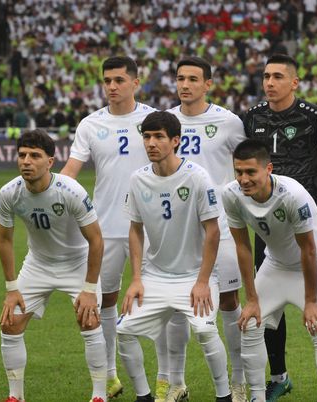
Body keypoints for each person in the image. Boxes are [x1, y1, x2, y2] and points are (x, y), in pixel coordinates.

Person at [61, 56, 167, 400]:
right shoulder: (91, 124)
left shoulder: (152, 120)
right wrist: (49, 192)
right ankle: (108, 376)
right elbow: (71, 170)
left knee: (164, 302)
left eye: (119, 80)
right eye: (107, 80)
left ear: (136, 83)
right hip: (104, 228)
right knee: (101, 302)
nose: (111, 86)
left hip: (150, 229)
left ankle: (168, 378)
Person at [116, 111, 232, 402]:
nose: (151, 143)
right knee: (124, 330)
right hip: (155, 277)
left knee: (206, 331)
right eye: (146, 137)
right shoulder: (138, 179)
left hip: (195, 276)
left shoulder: (196, 177)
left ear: (175, 141)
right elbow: (135, 230)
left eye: (158, 137)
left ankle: (224, 395)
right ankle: (144, 396)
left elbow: (213, 231)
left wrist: (203, 280)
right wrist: (137, 279)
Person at [242, 53, 317, 400]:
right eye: (266, 76)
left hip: (309, 224)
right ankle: (279, 375)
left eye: (278, 76)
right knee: (268, 312)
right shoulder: (252, 118)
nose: (270, 82)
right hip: (268, 226)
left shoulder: (315, 118)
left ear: (294, 82)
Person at [222, 139, 317, 402]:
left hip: (315, 264)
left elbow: (308, 249)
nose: (244, 179)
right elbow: (242, 246)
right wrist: (251, 299)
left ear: (268, 169)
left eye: (251, 172)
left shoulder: (292, 195)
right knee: (250, 324)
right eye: (239, 172)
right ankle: (256, 397)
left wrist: (310, 301)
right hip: (275, 265)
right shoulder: (231, 194)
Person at [0, 129, 106, 402]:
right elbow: (4, 240)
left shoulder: (71, 191)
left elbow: (96, 241)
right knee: (10, 324)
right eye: (22, 155)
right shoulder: (9, 193)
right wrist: (11, 289)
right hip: (38, 264)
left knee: (89, 321)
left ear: (50, 162)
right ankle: (15, 396)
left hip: (77, 263)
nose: (26, 161)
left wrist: (89, 289)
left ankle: (99, 396)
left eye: (35, 156)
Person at [166, 56, 247, 402]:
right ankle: (176, 383)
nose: (185, 85)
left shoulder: (228, 122)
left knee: (229, 300)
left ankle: (239, 380)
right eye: (181, 78)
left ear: (207, 84)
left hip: (222, 226)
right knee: (174, 303)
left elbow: (246, 164)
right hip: (178, 229)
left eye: (193, 79)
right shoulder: (167, 120)